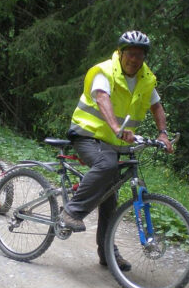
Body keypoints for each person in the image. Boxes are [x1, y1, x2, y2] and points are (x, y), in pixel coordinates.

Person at [61, 30, 173, 271]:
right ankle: (70, 212)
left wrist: (162, 133)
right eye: (131, 54)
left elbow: (156, 106)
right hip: (87, 135)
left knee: (110, 198)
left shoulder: (146, 78)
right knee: (107, 166)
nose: (135, 59)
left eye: (140, 55)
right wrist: (116, 127)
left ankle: (107, 253)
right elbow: (102, 98)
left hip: (114, 144)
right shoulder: (105, 71)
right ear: (121, 53)